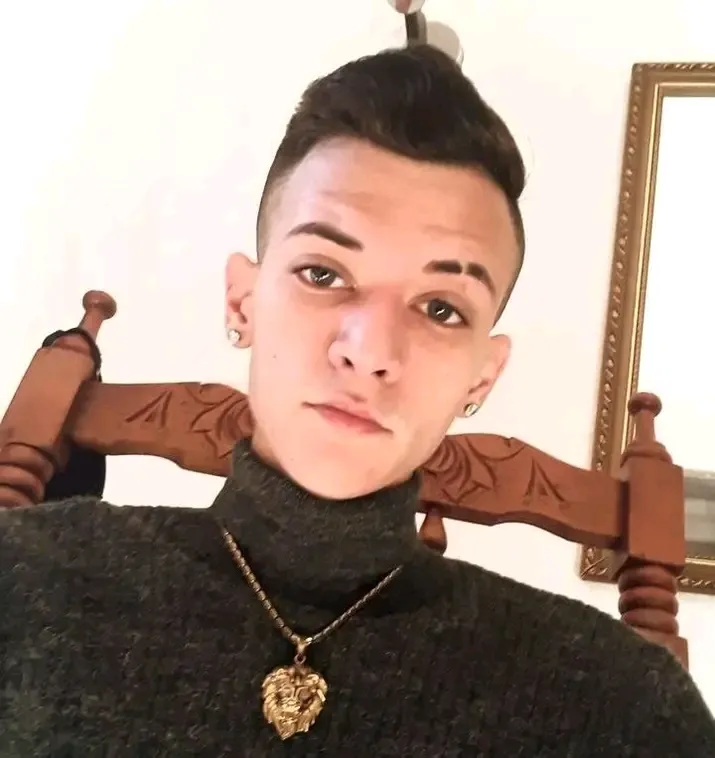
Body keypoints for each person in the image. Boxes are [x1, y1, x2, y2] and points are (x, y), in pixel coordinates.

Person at [1, 44, 713, 757]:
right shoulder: (27, 581)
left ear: (481, 377)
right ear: (243, 302)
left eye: (440, 308)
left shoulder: (619, 706)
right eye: (323, 272)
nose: (370, 351)